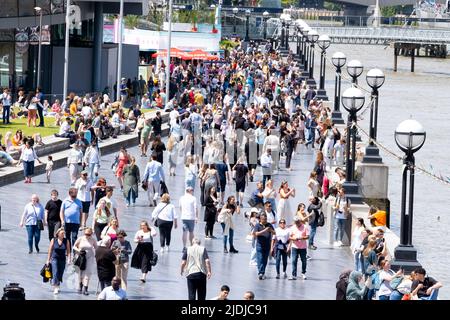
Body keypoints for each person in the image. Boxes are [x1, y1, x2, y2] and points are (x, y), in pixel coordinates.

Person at [46, 228, 71, 294]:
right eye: (62, 233)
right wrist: (48, 260)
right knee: (55, 271)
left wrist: (69, 259)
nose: (63, 235)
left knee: (60, 273)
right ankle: (56, 287)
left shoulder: (66, 241)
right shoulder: (53, 240)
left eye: (64, 233)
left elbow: (68, 251)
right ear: (58, 234)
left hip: (62, 259)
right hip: (54, 258)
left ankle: (57, 283)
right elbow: (50, 250)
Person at [73, 227, 97, 295]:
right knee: (80, 272)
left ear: (91, 234)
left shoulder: (93, 239)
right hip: (81, 257)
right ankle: (80, 286)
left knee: (88, 272)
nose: (87, 236)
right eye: (86, 234)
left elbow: (96, 248)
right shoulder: (81, 238)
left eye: (89, 234)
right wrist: (79, 250)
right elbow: (74, 246)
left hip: (90, 257)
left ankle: (86, 288)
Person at [252, 213, 275, 280]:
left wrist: (270, 230)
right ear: (260, 219)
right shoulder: (257, 225)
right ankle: (261, 272)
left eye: (265, 219)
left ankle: (262, 272)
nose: (264, 220)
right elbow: (256, 234)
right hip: (260, 245)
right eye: (263, 219)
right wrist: (265, 230)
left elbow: (274, 233)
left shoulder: (269, 225)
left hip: (267, 244)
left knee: (265, 260)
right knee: (260, 258)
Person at [289, 216, 309, 280]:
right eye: (296, 222)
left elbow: (308, 236)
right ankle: (294, 274)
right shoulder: (292, 227)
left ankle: (303, 273)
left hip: (303, 247)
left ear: (300, 221)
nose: (297, 223)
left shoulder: (305, 227)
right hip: (295, 246)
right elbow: (290, 237)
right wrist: (294, 238)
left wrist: (301, 238)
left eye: (298, 222)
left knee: (304, 260)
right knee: (294, 260)